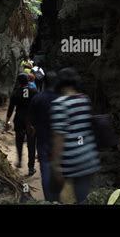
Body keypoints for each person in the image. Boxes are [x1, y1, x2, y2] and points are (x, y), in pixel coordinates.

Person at [50, 67, 101, 203]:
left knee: (56, 196)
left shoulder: (59, 104)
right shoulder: (85, 99)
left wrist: (55, 164)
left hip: (71, 162)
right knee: (82, 198)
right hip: (88, 158)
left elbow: (59, 137)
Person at [27, 71, 59, 201]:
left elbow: (29, 118)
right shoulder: (61, 98)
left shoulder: (38, 98)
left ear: (44, 82)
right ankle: (58, 198)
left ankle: (49, 200)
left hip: (42, 139)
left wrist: (31, 129)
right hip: (59, 140)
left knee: (45, 169)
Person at [6, 73, 38, 175]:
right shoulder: (34, 92)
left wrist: (7, 121)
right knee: (31, 143)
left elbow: (11, 108)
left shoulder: (15, 93)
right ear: (27, 81)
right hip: (31, 122)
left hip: (19, 120)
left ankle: (19, 160)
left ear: (19, 82)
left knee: (19, 141)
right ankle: (31, 167)